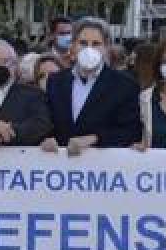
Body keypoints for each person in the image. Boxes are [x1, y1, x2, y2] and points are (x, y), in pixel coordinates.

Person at [41, 17, 141, 155]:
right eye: (83, 43)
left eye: (96, 44)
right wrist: (47, 138)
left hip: (103, 169)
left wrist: (95, 138)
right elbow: (47, 121)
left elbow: (130, 131)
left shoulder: (125, 85)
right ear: (73, 46)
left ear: (106, 48)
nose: (89, 49)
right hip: (61, 167)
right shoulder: (56, 81)